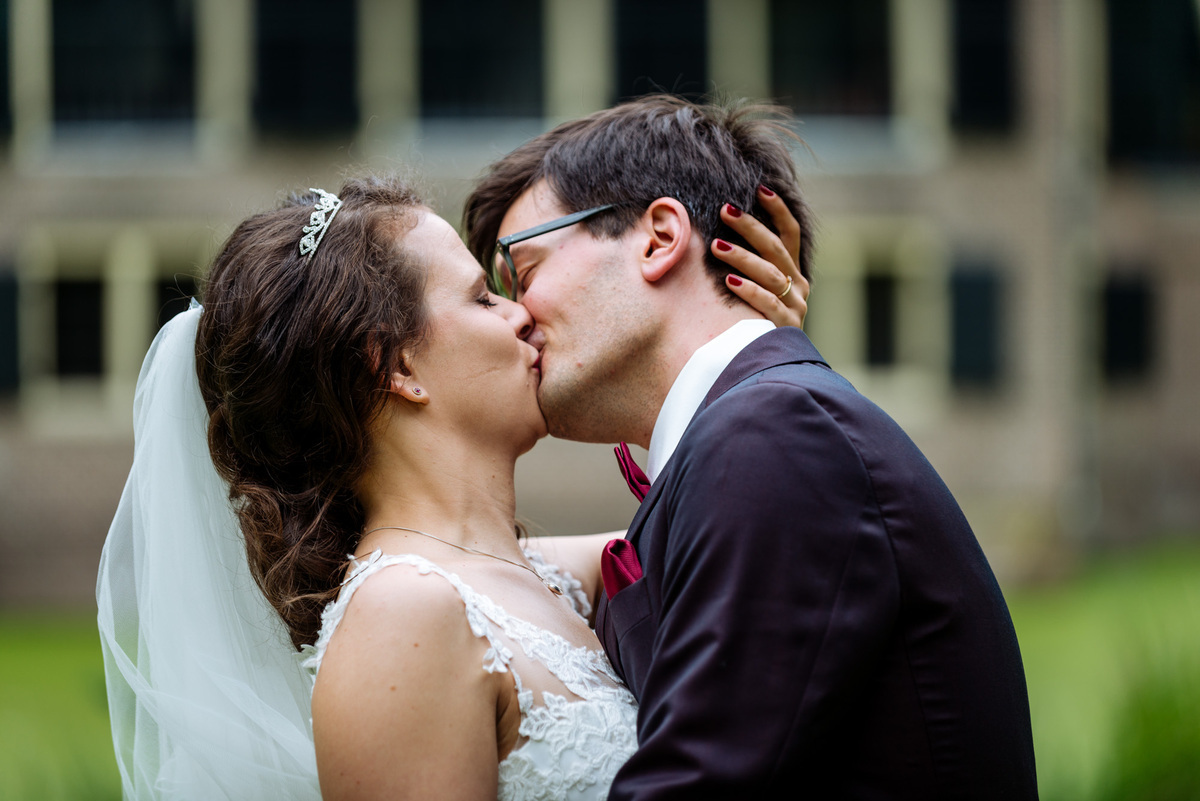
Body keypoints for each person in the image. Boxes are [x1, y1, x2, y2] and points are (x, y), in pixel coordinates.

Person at [96, 173, 808, 800]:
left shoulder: (553, 577)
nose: (522, 312)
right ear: (395, 366)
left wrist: (742, 356)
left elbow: (749, 536)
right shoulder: (401, 621)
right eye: (480, 298)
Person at [464, 94, 1040, 799]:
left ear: (658, 237)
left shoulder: (775, 436)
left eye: (521, 274)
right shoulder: (759, 433)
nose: (514, 318)